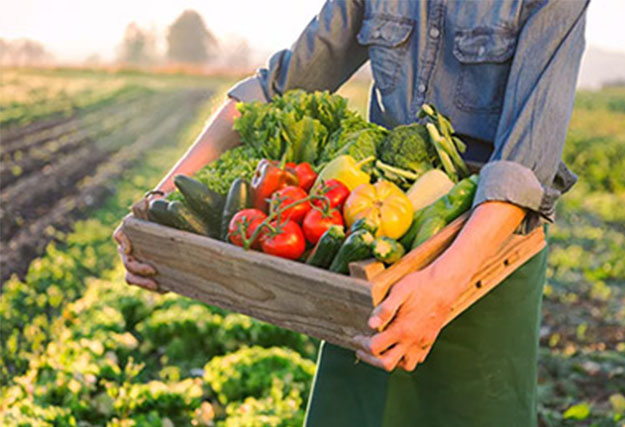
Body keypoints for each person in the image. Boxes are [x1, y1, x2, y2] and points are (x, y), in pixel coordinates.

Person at [113, 1, 589, 425]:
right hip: (376, 252)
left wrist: (444, 286)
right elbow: (278, 87)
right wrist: (157, 201)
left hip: (486, 251)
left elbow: (524, 163)